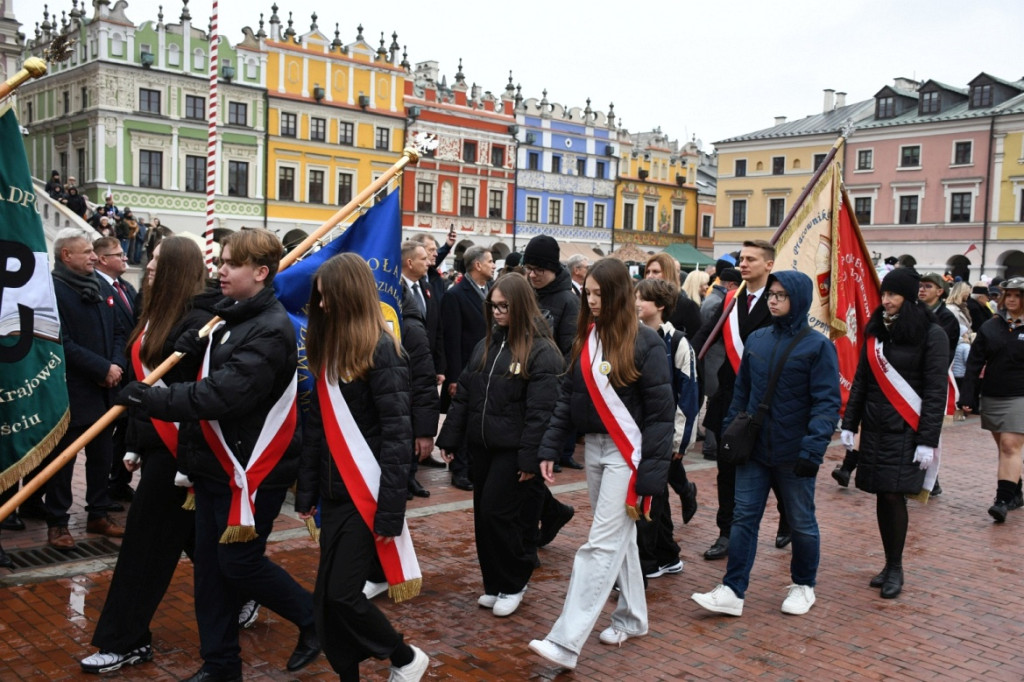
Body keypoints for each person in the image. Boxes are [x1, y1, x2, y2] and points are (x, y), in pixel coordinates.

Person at [118, 229, 318, 680]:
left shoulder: (270, 328)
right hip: (211, 465)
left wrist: (151, 399)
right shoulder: (227, 317)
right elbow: (207, 377)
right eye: (221, 261)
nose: (220, 270)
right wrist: (188, 357)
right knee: (210, 572)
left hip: (252, 470)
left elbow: (224, 395)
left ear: (261, 272)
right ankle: (221, 664)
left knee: (238, 564)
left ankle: (314, 617)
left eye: (231, 264)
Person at [80, 237, 221, 674]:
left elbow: (189, 394)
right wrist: (135, 444)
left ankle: (126, 640)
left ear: (178, 266)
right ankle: (249, 593)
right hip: (158, 444)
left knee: (143, 548)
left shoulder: (200, 323)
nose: (150, 264)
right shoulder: (155, 312)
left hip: (182, 455)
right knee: (199, 543)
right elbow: (143, 388)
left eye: (159, 259)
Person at [528, 258, 674, 671]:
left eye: (599, 294)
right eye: (588, 293)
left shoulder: (646, 342)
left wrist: (652, 474)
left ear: (619, 295)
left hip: (629, 453)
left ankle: (566, 641)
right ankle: (632, 617)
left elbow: (661, 415)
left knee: (600, 544)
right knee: (618, 538)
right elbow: (567, 397)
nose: (591, 301)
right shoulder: (587, 338)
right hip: (593, 448)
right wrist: (549, 447)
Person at [294, 253, 429, 682]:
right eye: (319, 298)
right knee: (326, 601)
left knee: (343, 595)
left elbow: (397, 437)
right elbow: (317, 430)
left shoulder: (383, 351)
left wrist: (390, 511)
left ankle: (405, 658)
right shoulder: (330, 350)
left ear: (349, 295)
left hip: (365, 495)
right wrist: (307, 492)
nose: (322, 305)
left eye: (328, 297)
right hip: (334, 494)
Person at [691, 271, 840, 617]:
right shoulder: (757, 339)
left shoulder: (818, 346)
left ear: (798, 299)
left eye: (781, 295)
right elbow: (741, 393)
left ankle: (804, 584)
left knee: (801, 521)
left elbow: (826, 403)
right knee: (743, 518)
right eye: (771, 294)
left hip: (795, 452)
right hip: (754, 450)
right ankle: (733, 589)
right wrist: (729, 435)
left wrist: (813, 448)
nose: (773, 300)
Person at [436, 273, 563, 617]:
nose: (497, 312)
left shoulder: (541, 351)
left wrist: (530, 458)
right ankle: (495, 583)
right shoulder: (486, 345)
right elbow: (465, 394)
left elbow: (541, 412)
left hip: (513, 449)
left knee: (499, 515)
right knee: (483, 516)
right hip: (483, 445)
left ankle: (514, 582)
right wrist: (449, 437)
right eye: (493, 306)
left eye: (504, 306)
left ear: (520, 305)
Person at [839, 267, 948, 598]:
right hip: (875, 428)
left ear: (909, 298)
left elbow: (935, 392)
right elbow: (862, 381)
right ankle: (888, 564)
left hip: (906, 429)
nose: (886, 300)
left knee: (893, 494)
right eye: (884, 294)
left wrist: (927, 440)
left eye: (893, 295)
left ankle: (896, 567)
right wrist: (849, 422)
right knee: (882, 493)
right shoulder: (877, 331)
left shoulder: (932, 334)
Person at [691, 241, 790, 560]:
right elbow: (707, 334)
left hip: (765, 398)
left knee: (772, 467)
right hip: (730, 396)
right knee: (727, 466)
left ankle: (788, 517)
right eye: (742, 258)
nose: (743, 264)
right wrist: (685, 358)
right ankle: (726, 532)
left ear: (769, 265)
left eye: (751, 259)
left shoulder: (780, 300)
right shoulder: (731, 300)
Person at [45, 228, 127, 550]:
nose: (95, 257)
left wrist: (115, 366)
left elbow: (119, 332)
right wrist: (101, 368)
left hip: (105, 391)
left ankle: (98, 514)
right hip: (72, 393)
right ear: (66, 255)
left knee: (101, 458)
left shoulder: (99, 287)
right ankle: (57, 523)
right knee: (63, 462)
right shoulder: (52, 291)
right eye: (87, 252)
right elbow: (60, 342)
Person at [634, 278, 698, 578]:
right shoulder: (632, 335)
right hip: (637, 430)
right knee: (656, 494)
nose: (636, 303)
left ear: (660, 306)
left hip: (663, 432)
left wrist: (679, 442)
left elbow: (689, 395)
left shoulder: (678, 342)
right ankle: (667, 554)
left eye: (643, 298)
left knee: (650, 496)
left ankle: (647, 563)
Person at [960, 276, 1024, 522]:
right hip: (993, 395)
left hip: (1020, 396)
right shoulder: (991, 325)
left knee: (1009, 445)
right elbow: (975, 362)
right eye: (1009, 295)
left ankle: (1002, 501)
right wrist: (967, 394)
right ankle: (1015, 491)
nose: (1012, 299)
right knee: (1004, 448)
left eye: (1018, 295)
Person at [440, 245, 496, 491]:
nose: (493, 265)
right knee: (460, 420)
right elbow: (451, 339)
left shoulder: (491, 291)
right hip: (463, 369)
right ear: (477, 264)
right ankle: (459, 469)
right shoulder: (456, 294)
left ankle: (473, 467)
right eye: (490, 261)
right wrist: (453, 377)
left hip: (485, 367)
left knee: (477, 418)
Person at [93, 237, 139, 507]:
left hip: (129, 370)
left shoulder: (126, 287)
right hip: (110, 370)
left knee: (126, 428)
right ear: (102, 259)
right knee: (106, 435)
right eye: (119, 254)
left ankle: (119, 482)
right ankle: (104, 489)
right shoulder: (96, 287)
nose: (125, 258)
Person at [399, 241, 439, 499]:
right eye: (423, 258)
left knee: (415, 423)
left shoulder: (427, 287)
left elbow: (438, 328)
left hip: (423, 361)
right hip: (405, 369)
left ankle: (410, 475)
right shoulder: (394, 291)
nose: (429, 262)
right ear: (409, 262)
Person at [699, 267, 741, 460]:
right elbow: (712, 331)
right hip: (716, 359)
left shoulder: (713, 299)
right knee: (715, 403)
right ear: (731, 285)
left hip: (714, 359)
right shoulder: (718, 302)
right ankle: (711, 446)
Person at [644, 252, 701, 339]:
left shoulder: (687, 306)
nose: (649, 276)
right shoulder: (640, 304)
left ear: (668, 274)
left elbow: (697, 340)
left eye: (655, 272)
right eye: (647, 272)